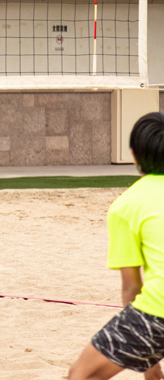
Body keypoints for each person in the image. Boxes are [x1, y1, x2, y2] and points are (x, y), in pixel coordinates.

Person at [68, 112, 164, 380]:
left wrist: (148, 358)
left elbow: (132, 287)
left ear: (134, 155)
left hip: (159, 311)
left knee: (81, 375)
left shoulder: (125, 206)